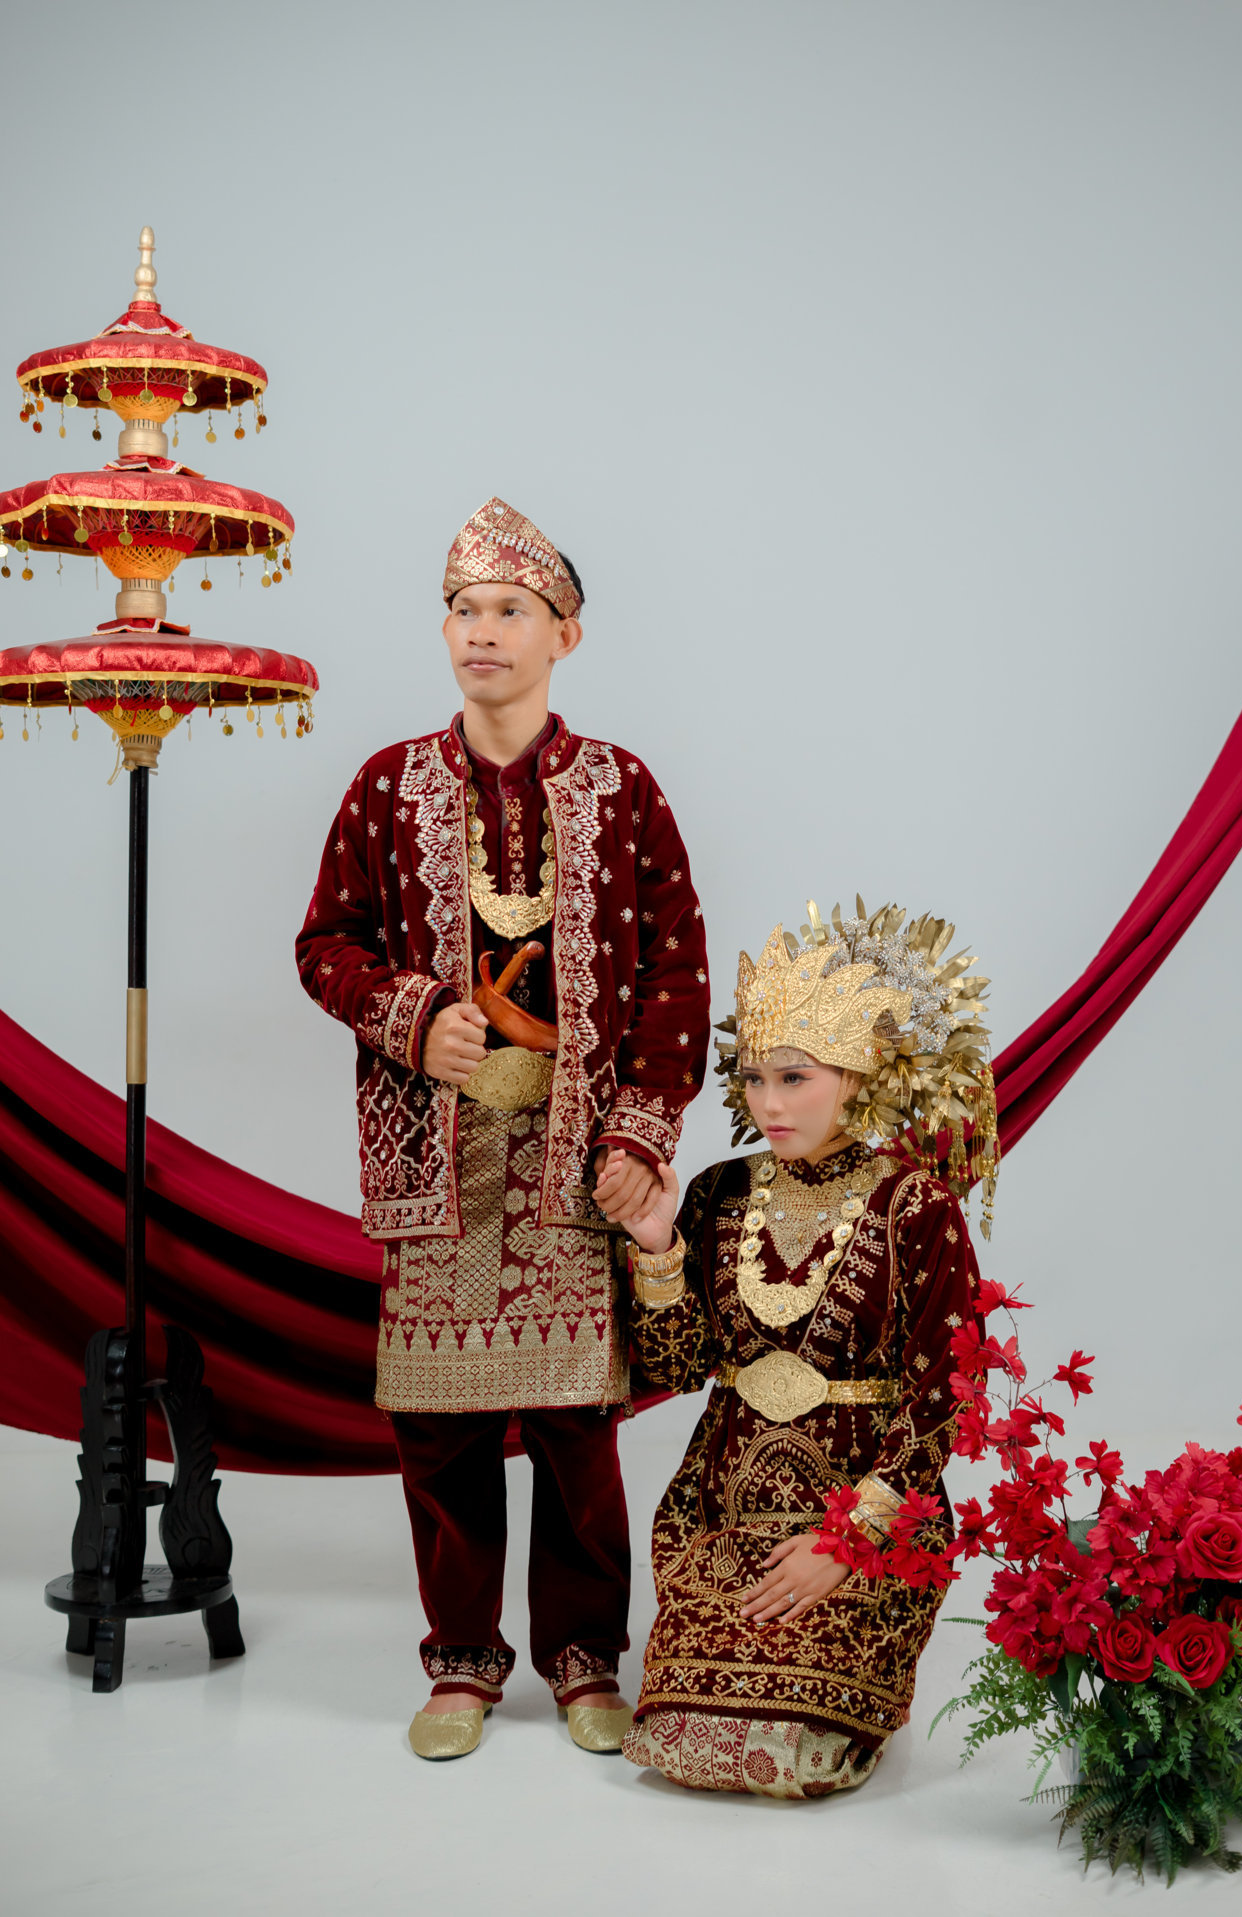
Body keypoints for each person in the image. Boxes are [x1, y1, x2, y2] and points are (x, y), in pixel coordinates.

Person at [296, 497, 710, 1760]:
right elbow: (324, 946)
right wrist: (413, 1018)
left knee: (579, 1432)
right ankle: (462, 1663)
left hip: (573, 1161)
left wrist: (638, 1136)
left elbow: (676, 977)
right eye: (463, 610)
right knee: (441, 1434)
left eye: (510, 611)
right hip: (437, 1161)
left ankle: (585, 1660)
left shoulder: (622, 791)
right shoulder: (387, 786)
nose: (481, 632)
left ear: (563, 636)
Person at [612, 899, 998, 1797]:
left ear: (858, 1075)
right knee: (680, 1743)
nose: (769, 1103)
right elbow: (675, 1368)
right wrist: (659, 1245)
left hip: (866, 1517)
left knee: (795, 1755)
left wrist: (848, 1539)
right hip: (721, 1508)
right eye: (753, 1078)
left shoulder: (915, 1206)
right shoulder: (715, 1192)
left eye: (795, 1077)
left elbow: (947, 1393)